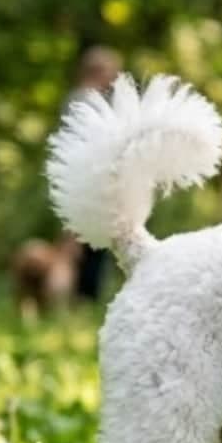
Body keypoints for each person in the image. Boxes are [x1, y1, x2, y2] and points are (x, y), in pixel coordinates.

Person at [70, 46, 122, 301]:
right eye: (111, 71)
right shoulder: (87, 100)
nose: (114, 77)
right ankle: (84, 295)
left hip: (86, 180)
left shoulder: (79, 97)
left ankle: (82, 295)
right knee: (91, 242)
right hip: (91, 181)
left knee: (87, 242)